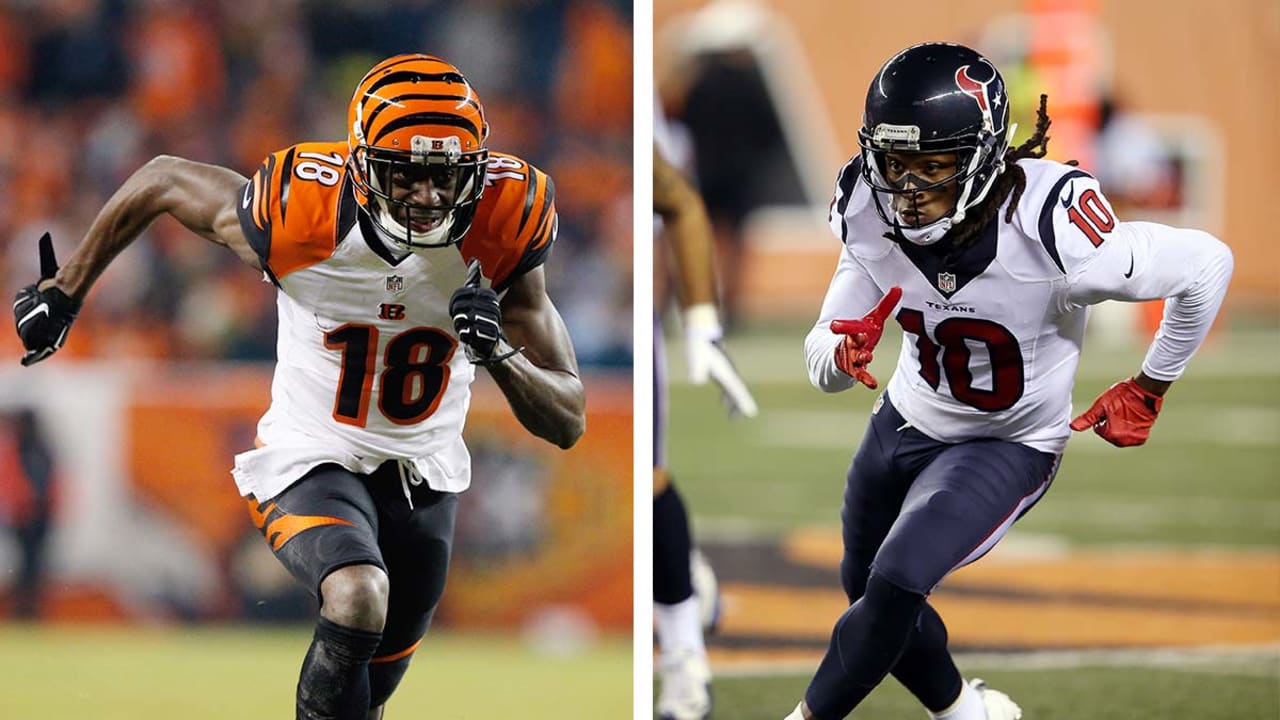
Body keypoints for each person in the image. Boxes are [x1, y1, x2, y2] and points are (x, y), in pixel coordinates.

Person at [13, 54, 586, 720]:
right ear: (364, 166)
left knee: (365, 698)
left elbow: (567, 418)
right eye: (408, 175)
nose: (428, 197)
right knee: (356, 594)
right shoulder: (302, 212)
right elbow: (164, 179)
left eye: (446, 176)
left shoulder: (504, 223)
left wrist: (499, 353)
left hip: (425, 475)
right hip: (312, 452)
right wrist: (67, 289)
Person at [789, 42, 1232, 720]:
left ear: (982, 157)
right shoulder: (867, 208)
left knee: (898, 578)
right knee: (868, 591)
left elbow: (1207, 264)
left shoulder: (1053, 228)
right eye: (896, 164)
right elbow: (825, 350)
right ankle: (969, 713)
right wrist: (838, 356)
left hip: (1007, 441)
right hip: (905, 418)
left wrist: (1152, 383)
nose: (908, 190)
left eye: (932, 166)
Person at [653, 120, 758, 717]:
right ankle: (685, 573)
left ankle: (684, 660)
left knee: (650, 481)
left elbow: (680, 201)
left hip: (633, 323)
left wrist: (701, 325)